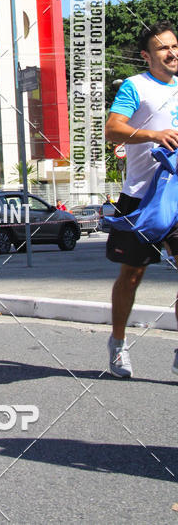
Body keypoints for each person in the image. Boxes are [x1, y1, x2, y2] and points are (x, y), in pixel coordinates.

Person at [104, 21, 178, 378]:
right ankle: (118, 344)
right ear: (148, 55)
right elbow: (112, 129)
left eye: (175, 46)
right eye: (163, 48)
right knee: (132, 276)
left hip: (176, 197)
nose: (172, 52)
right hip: (140, 197)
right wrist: (153, 134)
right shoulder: (136, 86)